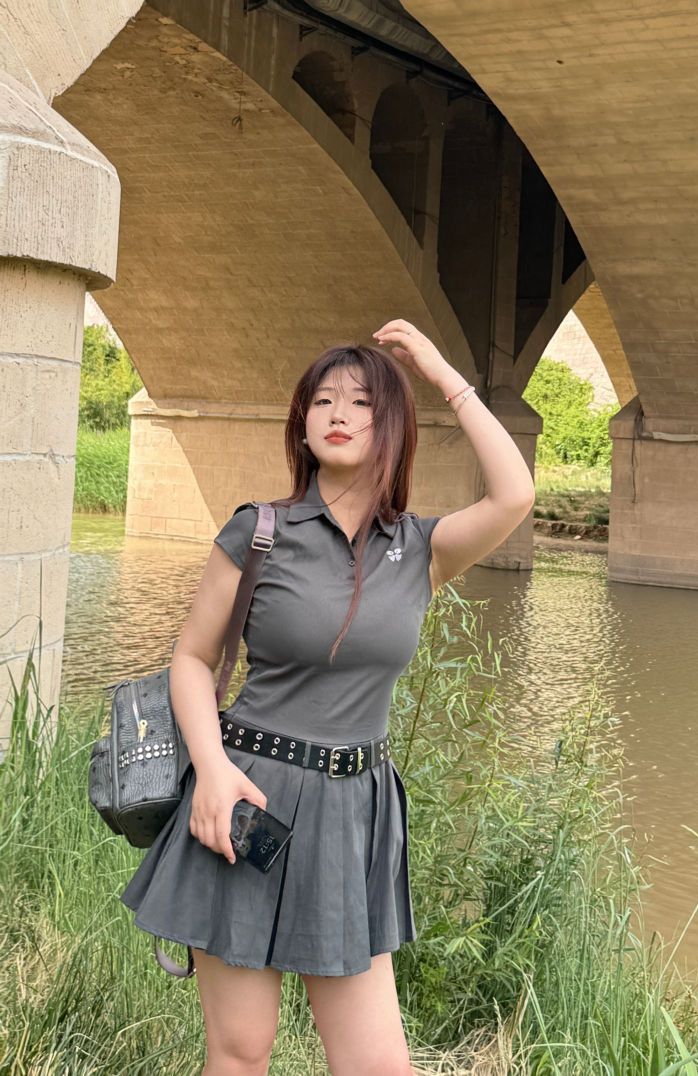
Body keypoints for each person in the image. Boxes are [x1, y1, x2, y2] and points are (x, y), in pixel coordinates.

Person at [119, 318, 535, 1076]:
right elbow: (192, 659)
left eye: (362, 402)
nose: (338, 413)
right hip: (248, 796)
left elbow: (515, 493)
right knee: (242, 1051)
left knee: (377, 1065)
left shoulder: (420, 550)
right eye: (322, 400)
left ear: (393, 425)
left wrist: (443, 374)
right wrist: (211, 771)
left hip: (354, 815)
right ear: (302, 423)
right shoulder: (259, 532)